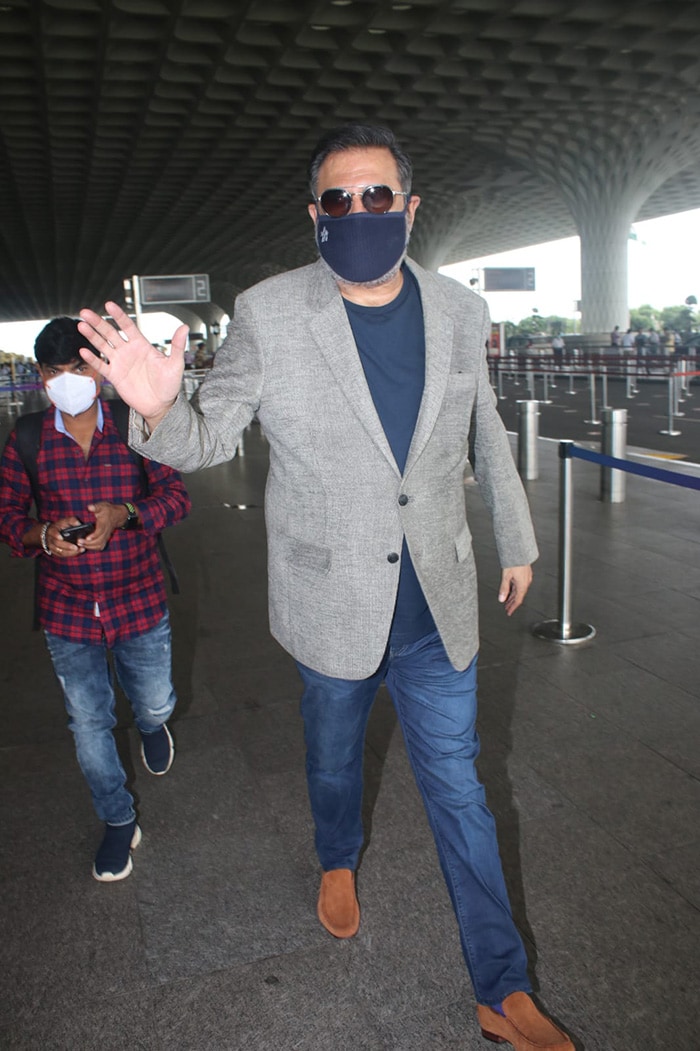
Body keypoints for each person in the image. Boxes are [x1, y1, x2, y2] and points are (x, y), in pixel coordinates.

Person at [77, 124, 575, 1050]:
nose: (358, 212)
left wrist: (516, 537)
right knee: (335, 760)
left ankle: (502, 989)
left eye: (377, 196)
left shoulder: (461, 312)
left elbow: (487, 428)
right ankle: (336, 856)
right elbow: (212, 437)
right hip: (331, 596)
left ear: (410, 208)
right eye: (338, 201)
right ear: (315, 216)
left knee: (460, 790)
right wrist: (156, 410)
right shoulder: (272, 311)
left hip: (438, 599)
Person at [0, 318, 191, 882]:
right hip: (67, 608)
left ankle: (156, 725)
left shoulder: (136, 425)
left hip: (137, 597)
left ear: (99, 370)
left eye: (79, 369)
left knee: (153, 701)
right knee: (89, 723)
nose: (69, 381)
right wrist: (43, 536)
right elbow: (9, 518)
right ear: (40, 377)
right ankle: (116, 820)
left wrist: (126, 515)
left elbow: (176, 498)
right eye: (56, 372)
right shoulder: (28, 439)